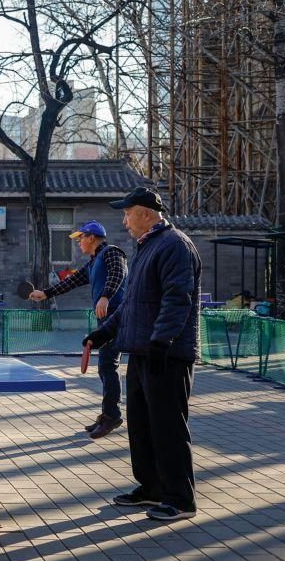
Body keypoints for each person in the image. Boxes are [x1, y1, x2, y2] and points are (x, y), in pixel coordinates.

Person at [83, 186, 201, 522]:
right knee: (142, 425)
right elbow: (134, 305)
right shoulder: (147, 246)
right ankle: (151, 488)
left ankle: (179, 499)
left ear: (146, 213)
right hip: (140, 351)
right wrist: (104, 333)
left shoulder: (175, 245)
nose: (124, 221)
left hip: (166, 354)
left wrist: (162, 342)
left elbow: (178, 299)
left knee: (168, 427)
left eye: (127, 213)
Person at [29, 221, 127, 439]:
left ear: (91, 237)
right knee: (106, 366)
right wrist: (45, 293)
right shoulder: (93, 263)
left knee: (107, 364)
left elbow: (117, 274)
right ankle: (109, 413)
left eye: (80, 238)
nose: (78, 243)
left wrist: (105, 296)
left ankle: (112, 416)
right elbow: (71, 282)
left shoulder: (112, 253)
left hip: (116, 317)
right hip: (105, 319)